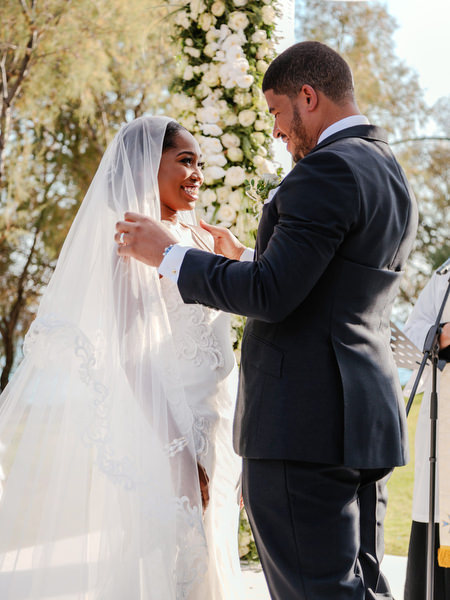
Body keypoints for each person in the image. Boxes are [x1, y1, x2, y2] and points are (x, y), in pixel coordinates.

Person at [116, 41, 418, 599]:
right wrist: (250, 259)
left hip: (303, 428)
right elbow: (336, 286)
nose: (277, 131)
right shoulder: (389, 171)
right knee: (362, 589)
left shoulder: (324, 171)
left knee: (316, 591)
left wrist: (169, 254)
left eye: (278, 112)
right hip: (362, 424)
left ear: (308, 97)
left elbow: (273, 295)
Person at [0, 116, 243, 600]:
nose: (198, 173)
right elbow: (134, 356)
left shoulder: (199, 239)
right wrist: (178, 456)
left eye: (200, 163)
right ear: (145, 167)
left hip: (220, 428)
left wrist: (234, 259)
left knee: (214, 552)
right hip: (175, 429)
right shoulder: (132, 243)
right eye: (185, 161)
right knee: (174, 560)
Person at [403, 266, 450, 600]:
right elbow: (413, 327)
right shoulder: (445, 274)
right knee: (436, 503)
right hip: (443, 410)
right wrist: (441, 333)